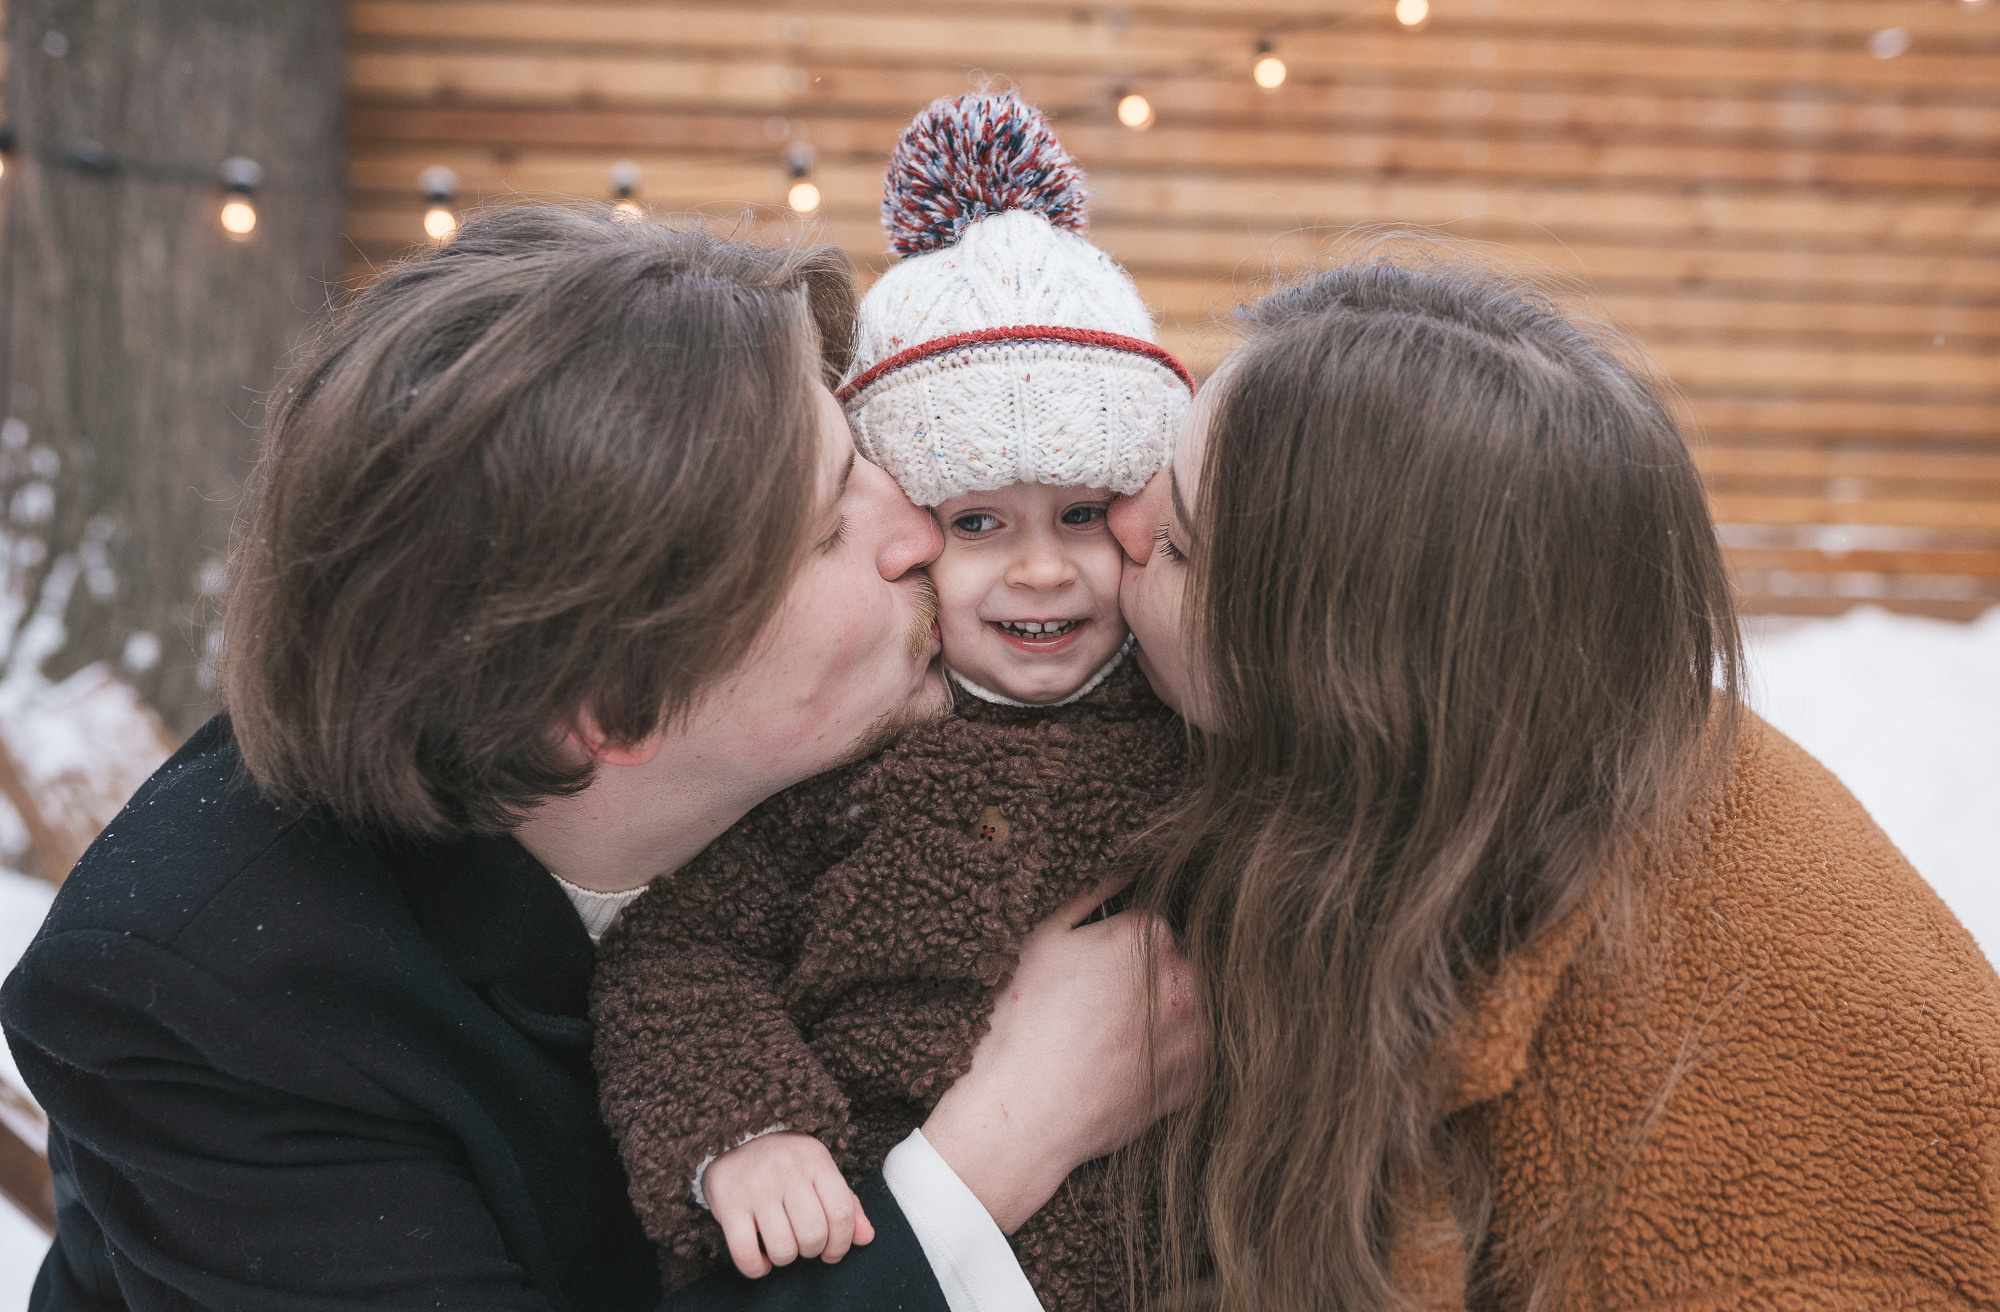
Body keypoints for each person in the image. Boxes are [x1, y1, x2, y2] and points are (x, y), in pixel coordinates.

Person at [0, 205, 1194, 1312]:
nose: (920, 528)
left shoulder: (938, 741)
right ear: (615, 705)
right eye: (833, 524)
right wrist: (1004, 1139)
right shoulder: (217, 1015)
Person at [1105, 258, 2000, 1310]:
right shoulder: (1539, 747)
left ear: (1340, 676)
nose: (1116, 526)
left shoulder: (1672, 1189)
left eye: (1173, 542)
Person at [590, 93, 1191, 1312]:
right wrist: (745, 1132)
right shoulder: (853, 750)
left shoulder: (1187, 734)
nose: (1040, 568)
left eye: (1081, 513)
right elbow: (677, 954)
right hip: (878, 1242)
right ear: (909, 534)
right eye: (979, 524)